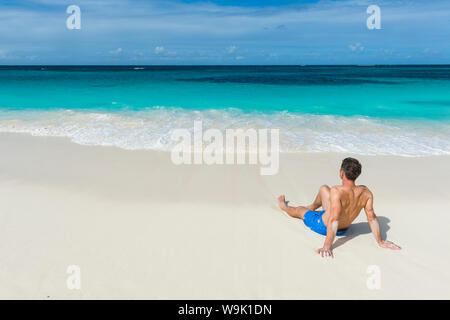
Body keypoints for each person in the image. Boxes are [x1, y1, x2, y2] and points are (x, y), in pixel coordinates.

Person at [278, 157, 401, 258]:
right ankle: (311, 207)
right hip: (344, 228)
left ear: (342, 173)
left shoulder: (337, 190)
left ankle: (284, 207)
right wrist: (380, 241)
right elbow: (372, 217)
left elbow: (334, 219)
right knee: (324, 189)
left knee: (299, 210)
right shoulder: (366, 192)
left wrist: (327, 246)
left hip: (323, 226)